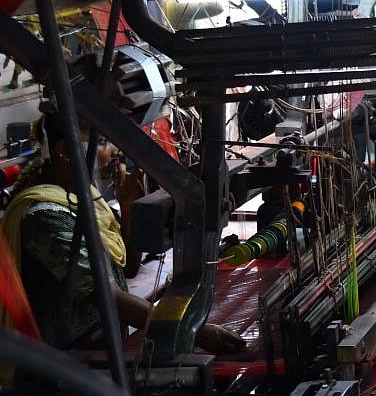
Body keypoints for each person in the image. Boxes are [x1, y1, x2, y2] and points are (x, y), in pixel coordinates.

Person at [0, 112, 242, 354]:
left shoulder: (83, 197)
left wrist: (127, 209)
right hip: (62, 362)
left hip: (102, 347)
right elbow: (108, 296)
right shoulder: (44, 216)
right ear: (65, 150)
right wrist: (193, 331)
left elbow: (128, 270)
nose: (115, 151)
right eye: (104, 143)